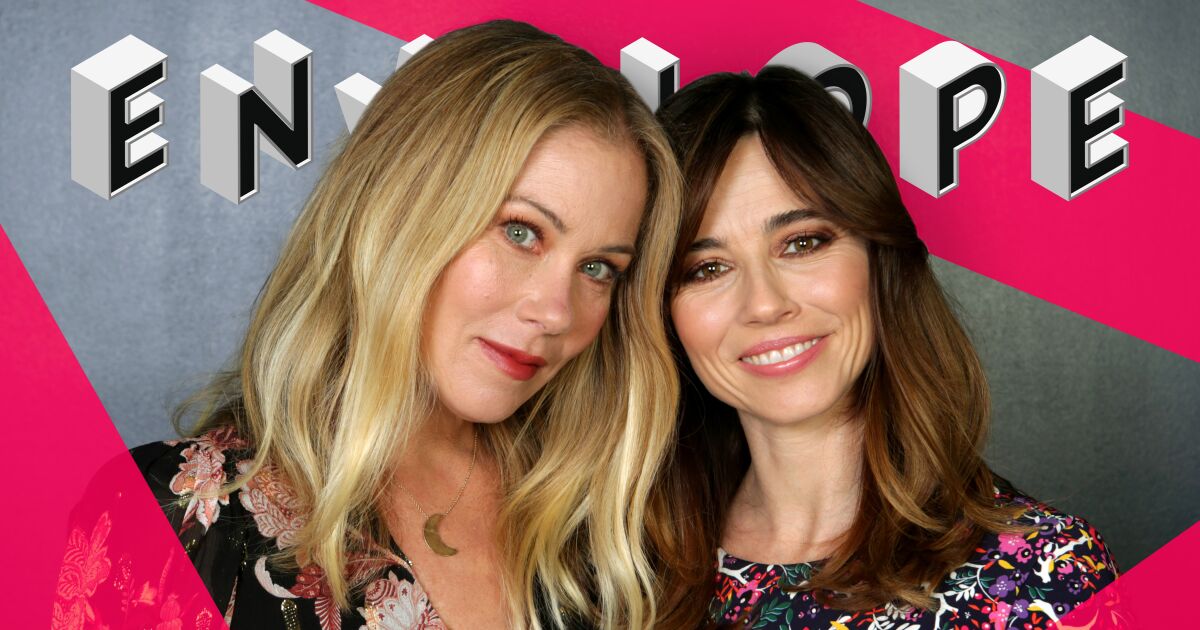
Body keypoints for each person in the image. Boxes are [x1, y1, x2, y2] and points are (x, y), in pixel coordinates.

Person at [129, 20, 682, 629]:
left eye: (599, 268)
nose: (556, 312)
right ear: (398, 210)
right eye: (521, 232)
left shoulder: (604, 534)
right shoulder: (174, 514)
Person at [650, 67, 1118, 628]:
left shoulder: (1048, 575)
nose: (765, 304)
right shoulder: (617, 574)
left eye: (802, 243)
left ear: (878, 258)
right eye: (706, 268)